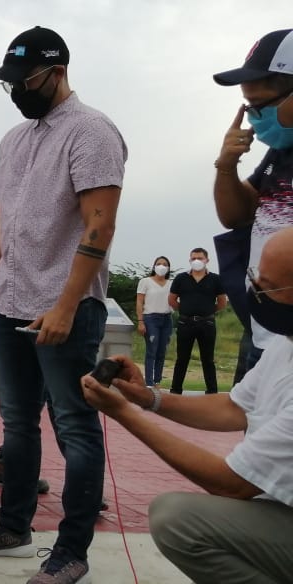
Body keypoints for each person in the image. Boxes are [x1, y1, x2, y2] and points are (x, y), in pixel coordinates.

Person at [0, 26, 127, 584]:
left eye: (24, 81)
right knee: (16, 423)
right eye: (10, 84)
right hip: (8, 303)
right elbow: (1, 220)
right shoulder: (15, 139)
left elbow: (100, 224)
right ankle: (13, 525)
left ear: (56, 72)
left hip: (64, 308)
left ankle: (71, 551)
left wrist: (67, 305)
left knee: (75, 427)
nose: (17, 91)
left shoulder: (92, 132)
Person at [81, 226, 293, 584]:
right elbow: (234, 407)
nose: (254, 291)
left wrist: (123, 414)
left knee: (178, 520)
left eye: (266, 286)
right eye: (254, 277)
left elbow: (231, 483)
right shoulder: (286, 342)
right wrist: (150, 399)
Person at [213, 28, 293, 369]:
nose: (252, 117)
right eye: (248, 107)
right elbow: (236, 216)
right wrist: (227, 165)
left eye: (260, 106)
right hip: (263, 335)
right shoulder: (280, 153)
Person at [167, 248, 226, 394]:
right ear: (189, 260)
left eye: (200, 258)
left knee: (208, 359)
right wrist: (186, 309)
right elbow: (172, 300)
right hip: (185, 323)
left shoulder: (216, 279)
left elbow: (222, 302)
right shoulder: (181, 278)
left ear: (207, 260)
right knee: (182, 359)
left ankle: (212, 391)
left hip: (207, 323)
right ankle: (175, 390)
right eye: (193, 258)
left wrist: (207, 311)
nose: (196, 261)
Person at [136, 256, 174, 388]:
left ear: (168, 268)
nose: (161, 266)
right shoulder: (145, 282)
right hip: (150, 319)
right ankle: (149, 383)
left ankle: (157, 381)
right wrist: (140, 321)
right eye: (159, 264)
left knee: (161, 351)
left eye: (164, 264)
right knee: (152, 350)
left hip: (167, 319)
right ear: (154, 266)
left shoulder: (171, 283)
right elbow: (140, 301)